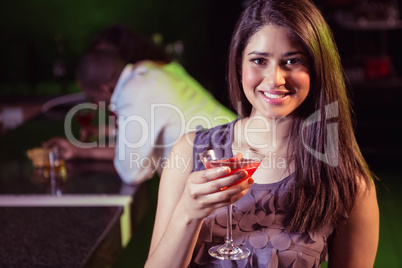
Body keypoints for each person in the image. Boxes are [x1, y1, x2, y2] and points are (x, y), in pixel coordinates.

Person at [145, 0, 379, 267]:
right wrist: (188, 212)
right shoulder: (190, 152)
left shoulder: (348, 183)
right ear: (238, 66)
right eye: (259, 61)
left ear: (317, 69)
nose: (274, 79)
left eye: (292, 61)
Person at [44, 34, 236, 185]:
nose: (94, 103)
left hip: (228, 167)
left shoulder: (133, 94)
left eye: (93, 97)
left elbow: (132, 172)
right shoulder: (148, 70)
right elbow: (142, 138)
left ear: (104, 89)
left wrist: (81, 150)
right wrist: (83, 147)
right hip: (240, 147)